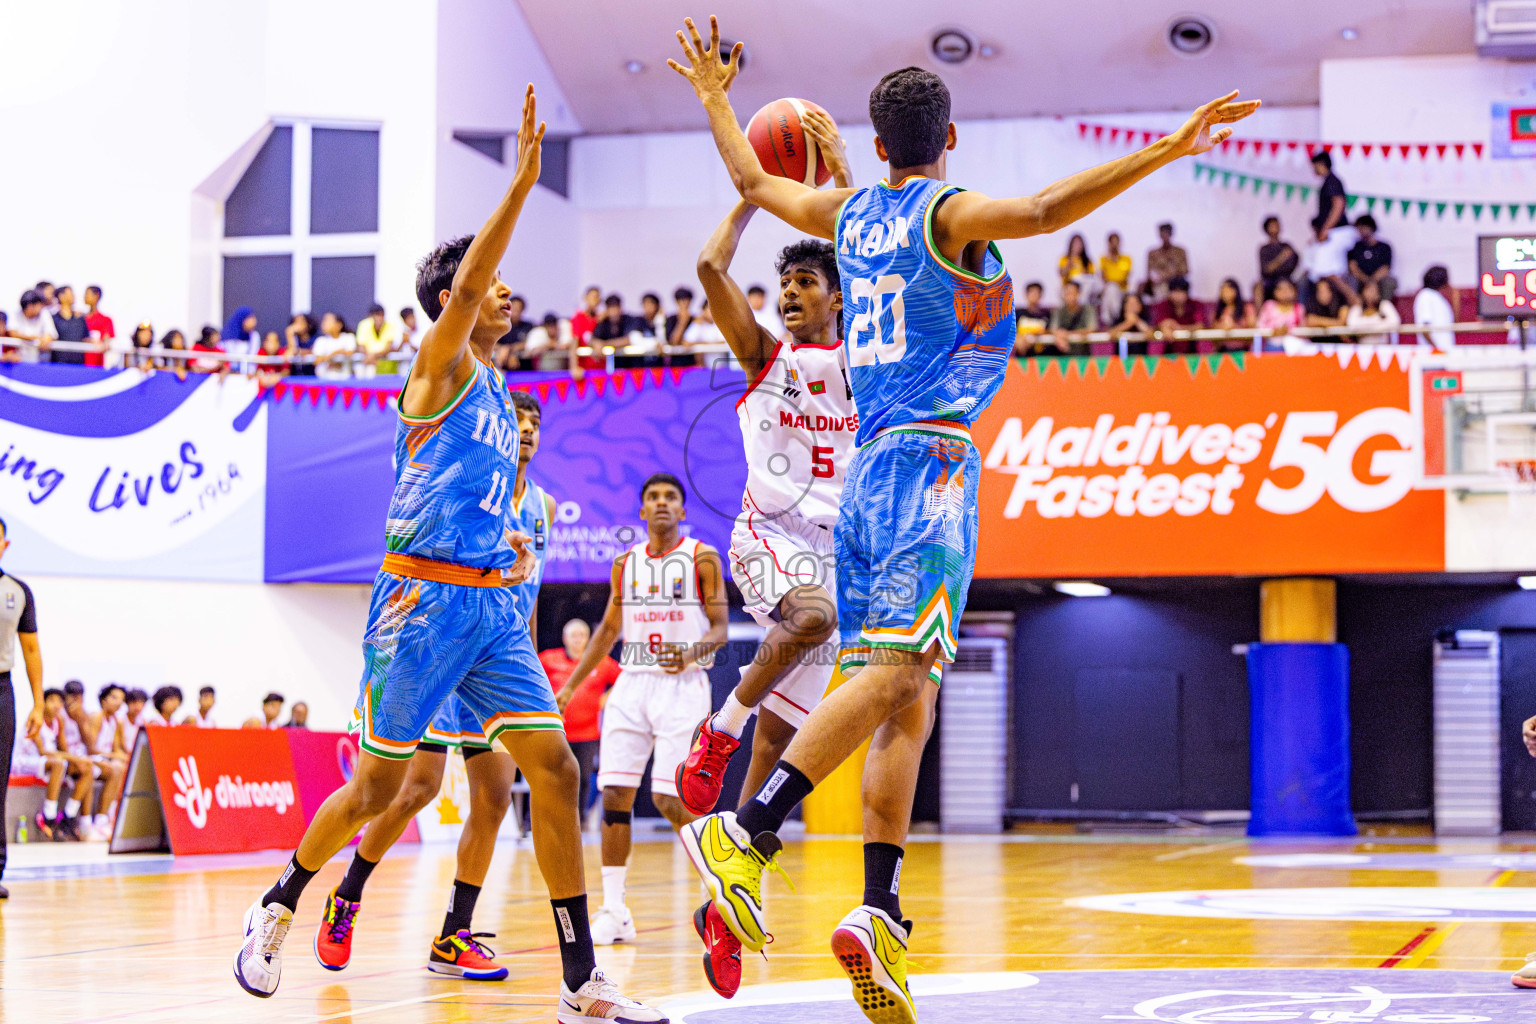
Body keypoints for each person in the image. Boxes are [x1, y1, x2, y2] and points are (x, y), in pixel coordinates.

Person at [671, 19, 1256, 1022]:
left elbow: (754, 182)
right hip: (927, 463)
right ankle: (749, 829)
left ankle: (879, 909)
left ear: (876, 140)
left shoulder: (847, 211)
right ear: (949, 136)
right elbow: (1044, 208)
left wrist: (717, 99)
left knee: (909, 699)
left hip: (865, 475)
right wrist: (1171, 145)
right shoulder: (949, 212)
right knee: (898, 674)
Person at [232, 86, 660, 1022]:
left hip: (492, 616)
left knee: (555, 771)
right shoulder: (440, 365)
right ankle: (280, 904)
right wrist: (524, 181)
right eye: (490, 282)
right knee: (381, 788)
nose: (505, 292)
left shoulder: (503, 394)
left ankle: (582, 980)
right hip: (419, 606)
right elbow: (467, 289)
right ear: (450, 301)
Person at [675, 111, 856, 996]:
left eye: (805, 283)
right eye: (782, 285)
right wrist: (753, 195)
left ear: (838, 297)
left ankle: (726, 901)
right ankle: (717, 728)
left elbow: (879, 256)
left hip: (834, 553)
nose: (788, 294)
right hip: (767, 539)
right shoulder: (762, 356)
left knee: (784, 756)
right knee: (811, 619)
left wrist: (843, 170)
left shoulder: (867, 360)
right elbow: (711, 270)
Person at [315, 389, 554, 982]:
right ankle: (347, 895)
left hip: (498, 653)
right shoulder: (473, 487)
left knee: (494, 798)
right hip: (444, 639)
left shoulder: (544, 506)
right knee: (415, 789)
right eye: (517, 421)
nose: (525, 431)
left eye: (534, 424)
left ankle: (453, 934)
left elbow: (531, 592)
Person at [553, 473, 728, 947]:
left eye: (671, 497)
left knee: (674, 799)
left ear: (683, 511)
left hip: (683, 685)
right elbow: (608, 630)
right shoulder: (625, 563)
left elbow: (719, 629)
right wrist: (570, 688)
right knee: (614, 794)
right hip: (632, 683)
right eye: (653, 497)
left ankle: (719, 893)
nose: (662, 502)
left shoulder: (701, 557)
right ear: (642, 511)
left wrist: (690, 653)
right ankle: (615, 911)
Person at [0, 518, 44, 889]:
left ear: (5, 545)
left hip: (2, 689)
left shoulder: (18, 591)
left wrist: (38, 704)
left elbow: (30, 650)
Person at [540, 619, 618, 816]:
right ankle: (537, 822)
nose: (577, 639)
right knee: (550, 778)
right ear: (564, 638)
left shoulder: (600, 662)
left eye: (582, 635)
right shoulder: (549, 659)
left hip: (587, 734)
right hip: (556, 731)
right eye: (573, 635)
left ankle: (579, 821)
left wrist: (605, 699)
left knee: (582, 780)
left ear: (589, 639)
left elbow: (624, 678)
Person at [1152, 276, 1208, 353]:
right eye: (1175, 292)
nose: (1178, 295)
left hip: (1192, 350)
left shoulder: (1196, 305)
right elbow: (1160, 324)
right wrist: (1165, 327)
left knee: (1205, 341)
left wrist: (1178, 328)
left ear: (1187, 293)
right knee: (1156, 340)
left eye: (1181, 292)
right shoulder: (1163, 305)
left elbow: (1200, 325)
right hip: (1169, 350)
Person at [1347, 215, 1396, 302]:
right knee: (1350, 280)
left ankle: (1383, 305)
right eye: (1359, 229)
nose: (1360, 231)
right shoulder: (1355, 247)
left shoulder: (1384, 247)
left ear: (1371, 227)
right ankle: (1355, 305)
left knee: (1389, 281)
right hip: (1360, 280)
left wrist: (1372, 281)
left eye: (1363, 228)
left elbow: (1385, 268)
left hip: (1378, 280)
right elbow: (1353, 267)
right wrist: (1366, 280)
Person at [1413, 265, 1456, 351]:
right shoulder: (1425, 295)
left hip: (1444, 351)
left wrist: (1455, 299)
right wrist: (1436, 349)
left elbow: (1454, 324)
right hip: (1433, 353)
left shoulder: (1438, 297)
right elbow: (1424, 328)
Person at [1257, 277, 1307, 350]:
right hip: (1272, 343)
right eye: (1280, 289)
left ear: (1295, 291)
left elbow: (1303, 330)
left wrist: (1288, 331)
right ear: (1274, 292)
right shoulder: (1269, 305)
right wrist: (1274, 331)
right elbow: (1259, 326)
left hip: (1293, 345)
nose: (1285, 292)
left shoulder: (1299, 308)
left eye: (1288, 288)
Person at [1048, 279, 1097, 353]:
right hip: (1062, 354)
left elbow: (1091, 328)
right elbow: (1053, 328)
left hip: (1082, 353)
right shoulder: (1058, 311)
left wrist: (1068, 334)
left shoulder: (1088, 309)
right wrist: (1059, 334)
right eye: (1067, 293)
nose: (1070, 296)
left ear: (1079, 294)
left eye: (1073, 293)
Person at [1145, 222, 1189, 302]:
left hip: (1176, 284)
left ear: (1171, 234)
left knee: (1173, 287)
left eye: (1166, 233)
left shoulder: (1180, 251)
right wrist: (1156, 278)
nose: (1165, 237)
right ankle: (1161, 307)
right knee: (1160, 288)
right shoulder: (1153, 253)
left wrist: (1167, 275)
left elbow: (1185, 270)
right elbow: (1150, 272)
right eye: (1162, 234)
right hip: (1159, 284)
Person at [10, 289, 57, 362]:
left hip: (39, 361)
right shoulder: (16, 314)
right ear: (30, 306)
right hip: (18, 361)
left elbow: (51, 333)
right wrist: (35, 338)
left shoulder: (44, 313)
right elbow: (12, 333)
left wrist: (46, 339)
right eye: (39, 305)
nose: (41, 307)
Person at [1310, 150, 1347, 241]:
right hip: (1331, 230)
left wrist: (1326, 229)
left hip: (1336, 231)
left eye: (1315, 166)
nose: (1313, 169)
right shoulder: (1328, 181)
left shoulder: (1332, 182)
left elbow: (1338, 206)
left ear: (1321, 164)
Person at [1257, 216, 1298, 297]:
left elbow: (1292, 265)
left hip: (1286, 278)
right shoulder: (1264, 249)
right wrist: (1281, 258)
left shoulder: (1286, 246)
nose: (1275, 227)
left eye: (1277, 225)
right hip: (1270, 281)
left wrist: (1275, 266)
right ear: (1266, 229)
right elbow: (1266, 270)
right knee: (1258, 286)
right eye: (1272, 225)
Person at [50, 285, 91, 365]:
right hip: (58, 364)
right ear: (61, 296)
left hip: (78, 364)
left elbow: (86, 337)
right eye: (70, 294)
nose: (73, 296)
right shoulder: (53, 319)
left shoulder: (80, 319)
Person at [1211, 278, 1256, 350]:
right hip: (1223, 350)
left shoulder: (1247, 308)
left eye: (1228, 291)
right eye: (1223, 291)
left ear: (1235, 291)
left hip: (1242, 350)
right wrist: (1222, 328)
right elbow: (1212, 335)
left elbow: (1253, 330)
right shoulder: (1218, 311)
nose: (1225, 294)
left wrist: (1234, 327)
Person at [357, 303, 399, 376]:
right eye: (376, 315)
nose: (378, 318)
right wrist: (371, 358)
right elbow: (361, 347)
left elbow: (389, 347)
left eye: (380, 315)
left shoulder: (389, 326)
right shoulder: (363, 325)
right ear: (370, 316)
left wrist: (373, 356)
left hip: (386, 366)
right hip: (369, 364)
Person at [1098, 231, 1131, 323]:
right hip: (1109, 289)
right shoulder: (1104, 259)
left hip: (1123, 290)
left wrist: (1113, 282)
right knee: (1111, 290)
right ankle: (1116, 318)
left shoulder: (1126, 259)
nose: (1114, 245)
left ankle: (1108, 320)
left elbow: (1125, 279)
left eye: (1116, 242)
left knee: (1111, 290)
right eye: (1112, 242)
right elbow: (1104, 278)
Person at [312, 313, 357, 379]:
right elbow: (317, 361)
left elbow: (350, 353)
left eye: (328, 321)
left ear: (339, 325)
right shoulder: (320, 340)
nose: (324, 324)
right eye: (324, 321)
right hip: (325, 379)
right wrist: (332, 356)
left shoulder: (349, 337)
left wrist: (332, 355)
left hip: (345, 378)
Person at [1013, 281, 1052, 355]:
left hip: (1042, 355)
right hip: (1022, 355)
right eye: (1032, 292)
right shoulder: (1017, 313)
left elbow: (1051, 331)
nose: (1034, 295)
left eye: (1037, 293)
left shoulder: (1047, 314)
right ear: (1026, 294)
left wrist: (1036, 334)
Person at [1057, 233, 1095, 301]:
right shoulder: (1065, 258)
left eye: (1079, 244)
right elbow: (1061, 274)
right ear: (1071, 245)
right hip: (1069, 284)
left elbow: (1091, 276)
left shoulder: (1087, 261)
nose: (1077, 246)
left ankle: (1081, 302)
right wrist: (1068, 265)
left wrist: (1085, 273)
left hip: (1083, 286)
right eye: (1075, 243)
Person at [223, 306, 260, 373]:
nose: (254, 322)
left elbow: (253, 357)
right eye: (251, 319)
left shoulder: (254, 336)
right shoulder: (228, 336)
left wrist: (250, 372)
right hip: (228, 373)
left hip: (247, 374)